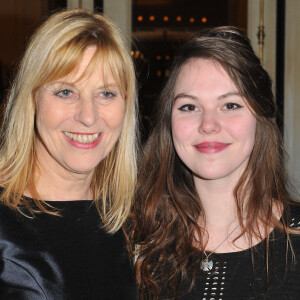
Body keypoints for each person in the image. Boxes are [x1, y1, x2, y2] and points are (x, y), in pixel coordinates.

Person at [131, 26, 300, 299]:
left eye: (230, 105)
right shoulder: (133, 243)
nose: (208, 124)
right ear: (168, 122)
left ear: (260, 117)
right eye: (189, 106)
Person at [0, 9, 138, 299]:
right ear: (31, 98)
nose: (88, 117)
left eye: (106, 93)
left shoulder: (132, 222)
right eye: (65, 92)